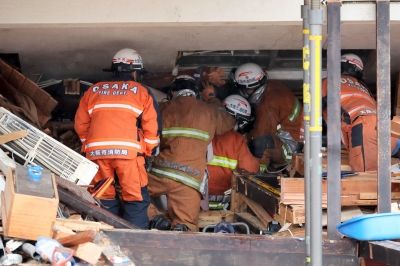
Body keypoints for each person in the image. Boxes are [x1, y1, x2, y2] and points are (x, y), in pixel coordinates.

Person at [74, 48, 161, 228]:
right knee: (135, 200)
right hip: (128, 155)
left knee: (103, 198)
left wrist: (89, 146)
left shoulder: (93, 90)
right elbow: (152, 127)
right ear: (135, 72)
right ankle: (133, 243)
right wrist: (149, 152)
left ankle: (107, 240)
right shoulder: (141, 91)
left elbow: (80, 125)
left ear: (114, 70)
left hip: (97, 155)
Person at [147, 75, 235, 232]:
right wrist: (212, 99)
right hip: (190, 179)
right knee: (186, 227)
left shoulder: (162, 108)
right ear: (196, 93)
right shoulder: (210, 111)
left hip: (161, 172)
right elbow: (229, 120)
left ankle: (155, 218)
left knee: (128, 190)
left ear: (173, 91)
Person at [322, 53, 399, 171]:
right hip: (390, 130)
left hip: (365, 128)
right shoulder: (363, 87)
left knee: (369, 179)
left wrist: (301, 137)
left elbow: (311, 108)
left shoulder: (329, 81)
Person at [229, 63, 303, 172]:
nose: (241, 92)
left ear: (251, 88)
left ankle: (259, 176)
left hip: (291, 148)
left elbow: (260, 134)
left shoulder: (268, 105)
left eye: (242, 89)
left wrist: (238, 138)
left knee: (260, 144)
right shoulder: (272, 86)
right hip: (296, 137)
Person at [207, 94, 259, 203]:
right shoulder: (238, 141)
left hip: (195, 201)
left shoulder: (201, 131)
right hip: (224, 204)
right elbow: (250, 173)